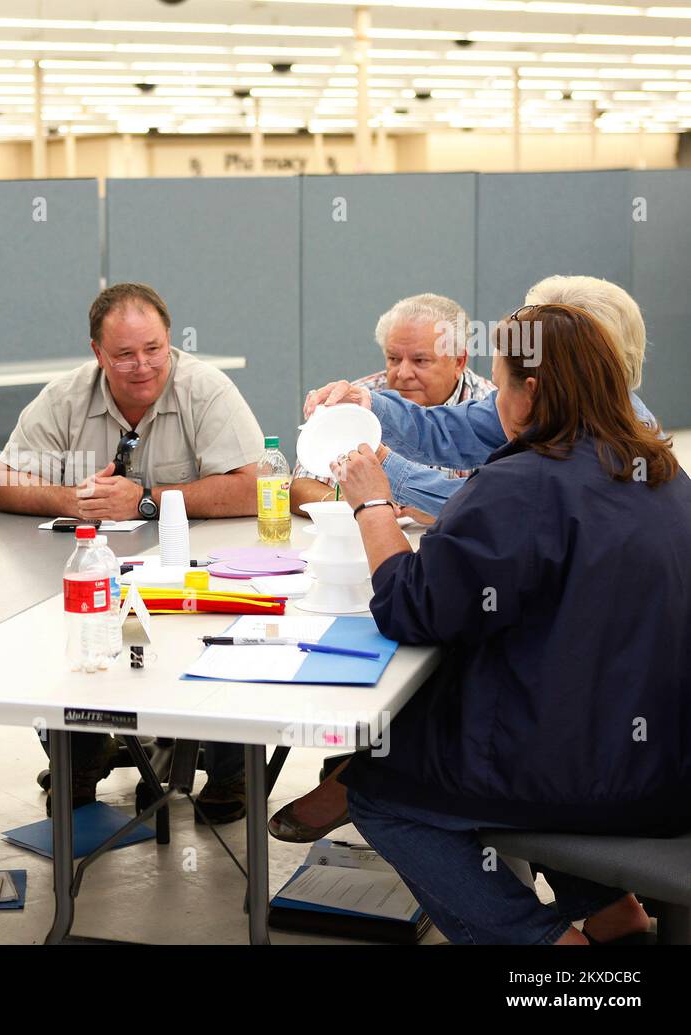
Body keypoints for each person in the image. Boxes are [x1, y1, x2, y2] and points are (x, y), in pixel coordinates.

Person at [315, 303, 691, 943]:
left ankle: (547, 949)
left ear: (531, 390)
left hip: (590, 777)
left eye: (502, 382)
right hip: (665, 762)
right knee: (516, 736)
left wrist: (372, 502)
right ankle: (612, 914)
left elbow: (414, 608)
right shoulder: (661, 470)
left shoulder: (524, 483)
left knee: (381, 791)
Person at [275, 277, 662, 842]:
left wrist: (379, 494)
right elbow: (454, 435)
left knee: (393, 774)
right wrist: (371, 406)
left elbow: (417, 596)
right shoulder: (633, 447)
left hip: (581, 731)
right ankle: (607, 913)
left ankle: (543, 933)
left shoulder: (565, 463)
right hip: (626, 720)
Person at [0, 282, 265, 822]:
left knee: (230, 632)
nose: (142, 366)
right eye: (125, 354)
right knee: (51, 626)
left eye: (154, 349)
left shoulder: (206, 390)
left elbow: (254, 486)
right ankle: (82, 753)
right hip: (95, 566)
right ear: (97, 354)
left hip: (198, 570)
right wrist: (75, 499)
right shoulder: (66, 397)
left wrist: (146, 501)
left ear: (170, 341)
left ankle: (234, 769)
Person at [302, 276, 657, 518]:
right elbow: (441, 431)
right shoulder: (544, 406)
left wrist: (384, 473)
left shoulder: (609, 447)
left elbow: (493, 509)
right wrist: (369, 404)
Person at [291, 294, 494, 523]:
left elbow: (496, 507)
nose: (403, 373)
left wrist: (438, 506)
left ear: (459, 361)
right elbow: (301, 486)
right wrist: (360, 507)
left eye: (421, 361)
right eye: (394, 359)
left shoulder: (495, 406)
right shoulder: (358, 399)